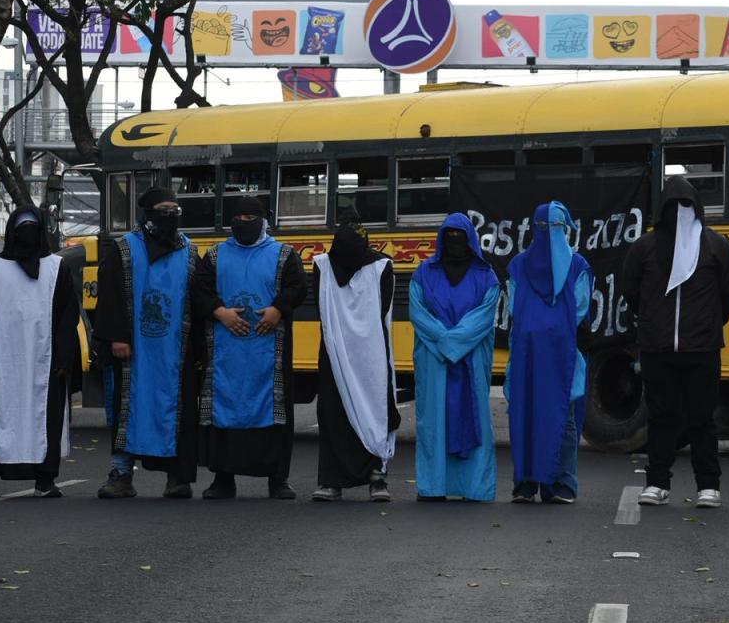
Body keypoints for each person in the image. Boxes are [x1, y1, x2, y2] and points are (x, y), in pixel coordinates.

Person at [622, 176, 729, 509]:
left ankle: (708, 485)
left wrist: (710, 324)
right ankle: (657, 482)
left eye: (685, 206)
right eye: (673, 207)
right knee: (661, 417)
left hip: (701, 348)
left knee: (702, 418)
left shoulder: (714, 245)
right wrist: (653, 322)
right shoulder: (644, 248)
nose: (679, 213)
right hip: (658, 349)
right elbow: (630, 290)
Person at [193, 196, 307, 500]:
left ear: (263, 219)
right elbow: (199, 290)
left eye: (250, 217)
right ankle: (222, 479)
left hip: (268, 354)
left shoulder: (283, 254)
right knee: (224, 410)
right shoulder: (215, 256)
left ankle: (277, 479)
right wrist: (221, 313)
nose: (244, 223)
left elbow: (298, 287)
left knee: (273, 412)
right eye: (238, 218)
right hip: (225, 356)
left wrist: (278, 310)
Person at [94, 186, 202, 499]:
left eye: (174, 210)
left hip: (175, 354)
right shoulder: (124, 248)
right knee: (127, 410)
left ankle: (177, 478)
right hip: (133, 351)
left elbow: (198, 298)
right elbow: (110, 294)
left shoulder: (190, 251)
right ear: (148, 213)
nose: (169, 216)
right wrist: (117, 336)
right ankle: (121, 474)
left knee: (177, 412)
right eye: (162, 210)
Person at [0, 206, 80, 499]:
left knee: (46, 419)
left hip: (45, 361)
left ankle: (45, 479)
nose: (27, 234)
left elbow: (69, 317)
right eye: (22, 228)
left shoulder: (57, 268)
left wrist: (64, 356)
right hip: (1, 363)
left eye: (32, 227)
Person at [506, 201, 592, 504]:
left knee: (562, 418)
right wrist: (552, 324)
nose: (549, 234)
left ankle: (561, 484)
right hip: (531, 354)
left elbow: (580, 309)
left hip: (560, 356)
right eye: (544, 228)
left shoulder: (578, 266)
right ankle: (527, 483)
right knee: (526, 414)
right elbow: (515, 306)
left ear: (565, 230)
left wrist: (541, 326)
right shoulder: (518, 265)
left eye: (555, 228)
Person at [410, 213, 500, 502]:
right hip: (434, 362)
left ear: (470, 240)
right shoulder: (424, 273)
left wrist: (448, 343)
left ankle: (475, 487)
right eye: (448, 236)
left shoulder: (486, 276)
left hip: (470, 361)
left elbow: (483, 318)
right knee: (433, 422)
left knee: (475, 418)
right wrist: (450, 343)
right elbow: (418, 314)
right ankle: (432, 485)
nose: (454, 243)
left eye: (459, 237)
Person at [311, 210, 400, 502]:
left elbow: (381, 309)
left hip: (367, 356)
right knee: (333, 414)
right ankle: (332, 480)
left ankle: (376, 477)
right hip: (339, 356)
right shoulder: (322, 267)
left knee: (375, 410)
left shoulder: (381, 267)